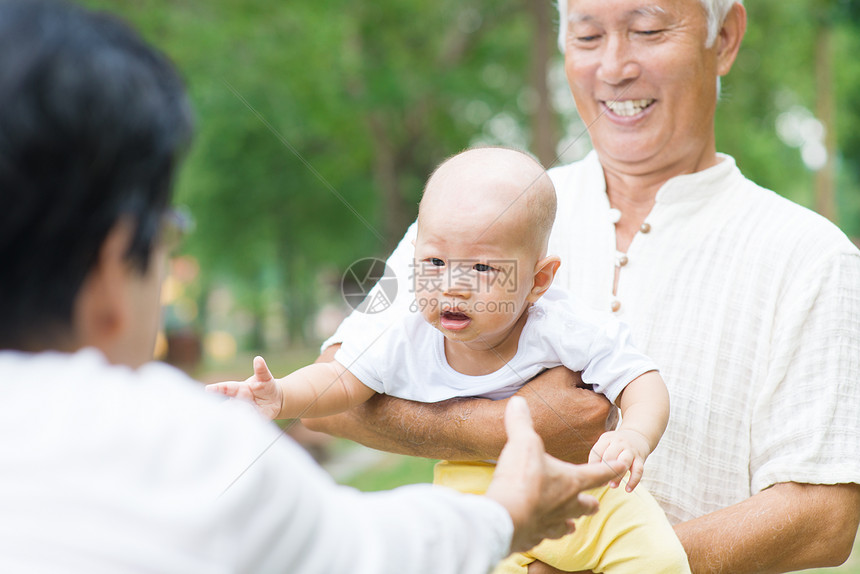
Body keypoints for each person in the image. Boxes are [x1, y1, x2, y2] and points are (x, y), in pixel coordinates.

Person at [0, 1, 629, 572]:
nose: (452, 284)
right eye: (167, 230)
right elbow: (360, 547)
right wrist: (508, 515)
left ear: (540, 280)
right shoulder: (179, 450)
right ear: (113, 266)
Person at [306, 1, 860, 572]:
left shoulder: (813, 257)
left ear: (724, 38)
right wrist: (497, 429)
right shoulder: (475, 207)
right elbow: (327, 401)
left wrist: (616, 564)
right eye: (588, 35)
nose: (615, 67)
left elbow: (823, 517)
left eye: (647, 30)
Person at [209, 147, 687, 572]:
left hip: (588, 491)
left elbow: (640, 379)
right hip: (476, 490)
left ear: (539, 280)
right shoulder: (406, 336)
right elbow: (341, 378)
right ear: (415, 255)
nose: (452, 285)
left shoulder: (560, 325)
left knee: (660, 560)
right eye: (435, 263)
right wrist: (281, 395)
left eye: (482, 267)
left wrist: (634, 435)